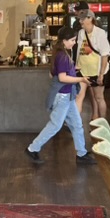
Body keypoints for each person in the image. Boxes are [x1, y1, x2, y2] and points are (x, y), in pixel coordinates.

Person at [26, 27, 95, 166]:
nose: (74, 43)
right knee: (55, 125)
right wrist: (81, 79)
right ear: (64, 40)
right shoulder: (63, 55)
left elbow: (53, 74)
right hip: (63, 97)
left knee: (77, 124)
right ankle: (32, 148)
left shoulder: (60, 53)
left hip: (67, 96)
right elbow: (62, 78)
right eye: (72, 40)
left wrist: (72, 69)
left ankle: (81, 154)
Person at [75, 11, 110, 120]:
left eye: (82, 19)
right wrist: (76, 65)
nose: (80, 21)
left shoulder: (100, 33)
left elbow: (105, 55)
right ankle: (76, 123)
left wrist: (101, 74)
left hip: (96, 71)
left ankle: (103, 122)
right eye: (79, 19)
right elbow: (80, 51)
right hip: (82, 70)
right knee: (79, 96)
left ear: (90, 18)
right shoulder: (81, 33)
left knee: (99, 97)